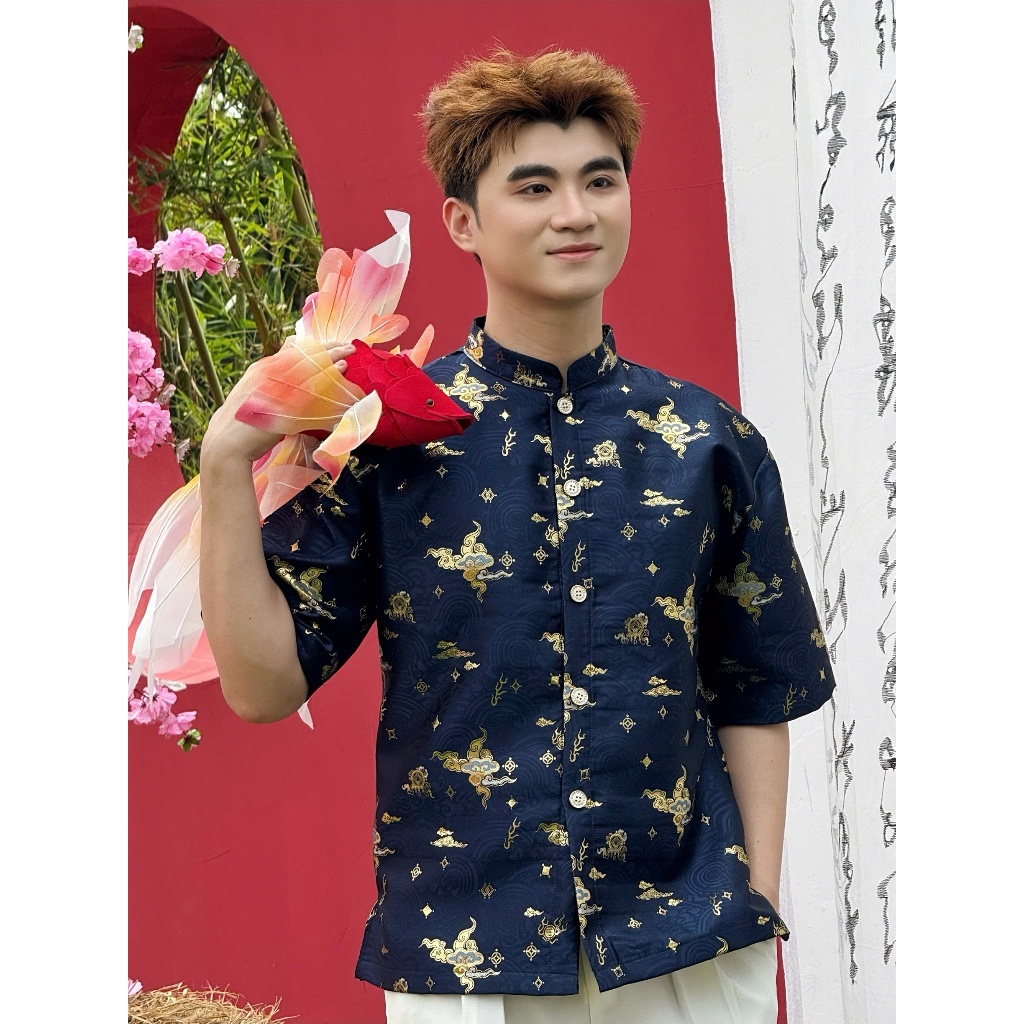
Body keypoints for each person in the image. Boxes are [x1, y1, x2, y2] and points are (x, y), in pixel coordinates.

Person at [198, 46, 836, 1024]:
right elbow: (263, 685)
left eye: (600, 180)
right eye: (534, 187)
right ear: (463, 221)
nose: (574, 213)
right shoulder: (387, 438)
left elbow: (757, 689)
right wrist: (223, 466)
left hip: (682, 947)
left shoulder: (709, 441)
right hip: (466, 949)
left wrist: (755, 894)